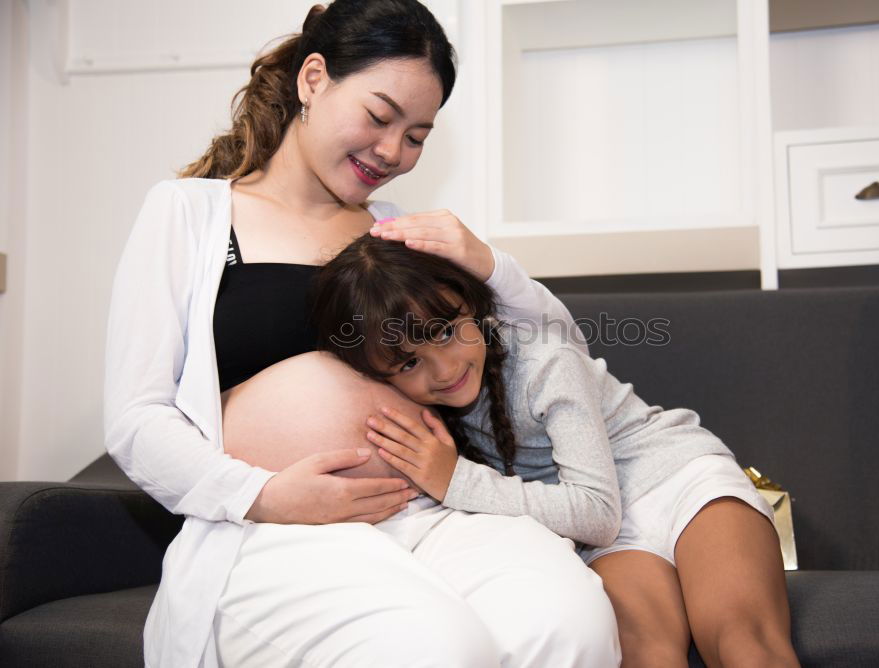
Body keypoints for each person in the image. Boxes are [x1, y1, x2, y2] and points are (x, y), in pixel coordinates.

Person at [103, 1, 620, 666]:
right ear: (313, 79)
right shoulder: (192, 214)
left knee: (571, 620)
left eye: (417, 135)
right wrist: (262, 494)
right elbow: (134, 417)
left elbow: (550, 346)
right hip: (271, 527)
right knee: (436, 647)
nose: (392, 151)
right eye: (380, 117)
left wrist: (491, 265)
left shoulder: (395, 227)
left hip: (427, 510)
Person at [310, 233, 801, 668]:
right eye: (409, 362)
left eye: (444, 331)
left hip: (676, 481)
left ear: (470, 301)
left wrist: (455, 479)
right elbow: (602, 528)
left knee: (743, 645)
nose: (442, 370)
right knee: (647, 656)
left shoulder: (545, 359)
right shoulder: (423, 410)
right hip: (607, 538)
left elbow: (595, 510)